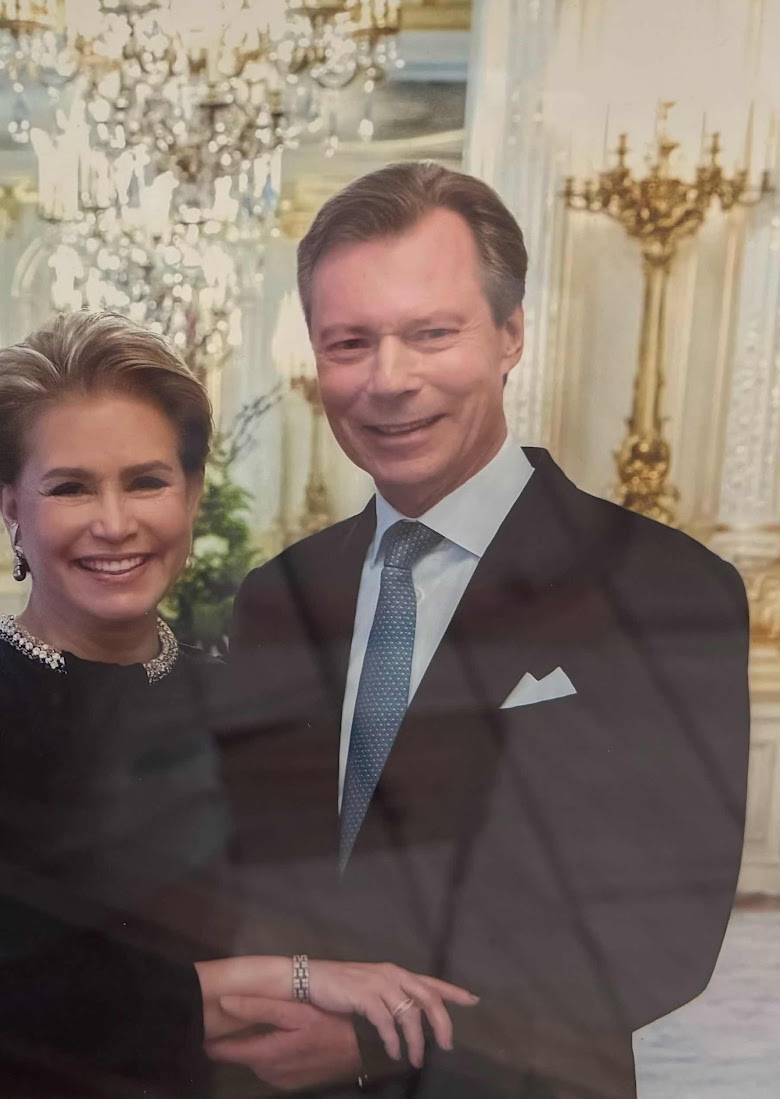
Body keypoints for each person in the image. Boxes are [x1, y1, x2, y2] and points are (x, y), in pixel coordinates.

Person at [212, 164, 752, 1099]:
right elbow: (260, 869)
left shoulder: (665, 589)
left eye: (431, 333)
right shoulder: (279, 596)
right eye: (349, 343)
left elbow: (662, 931)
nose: (389, 380)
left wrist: (374, 1040)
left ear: (510, 335)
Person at [0, 309, 475, 1099]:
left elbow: (376, 927)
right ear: (12, 509)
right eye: (71, 487)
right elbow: (12, 1000)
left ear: (191, 494)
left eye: (147, 481)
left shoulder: (252, 707)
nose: (115, 524)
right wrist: (287, 976)